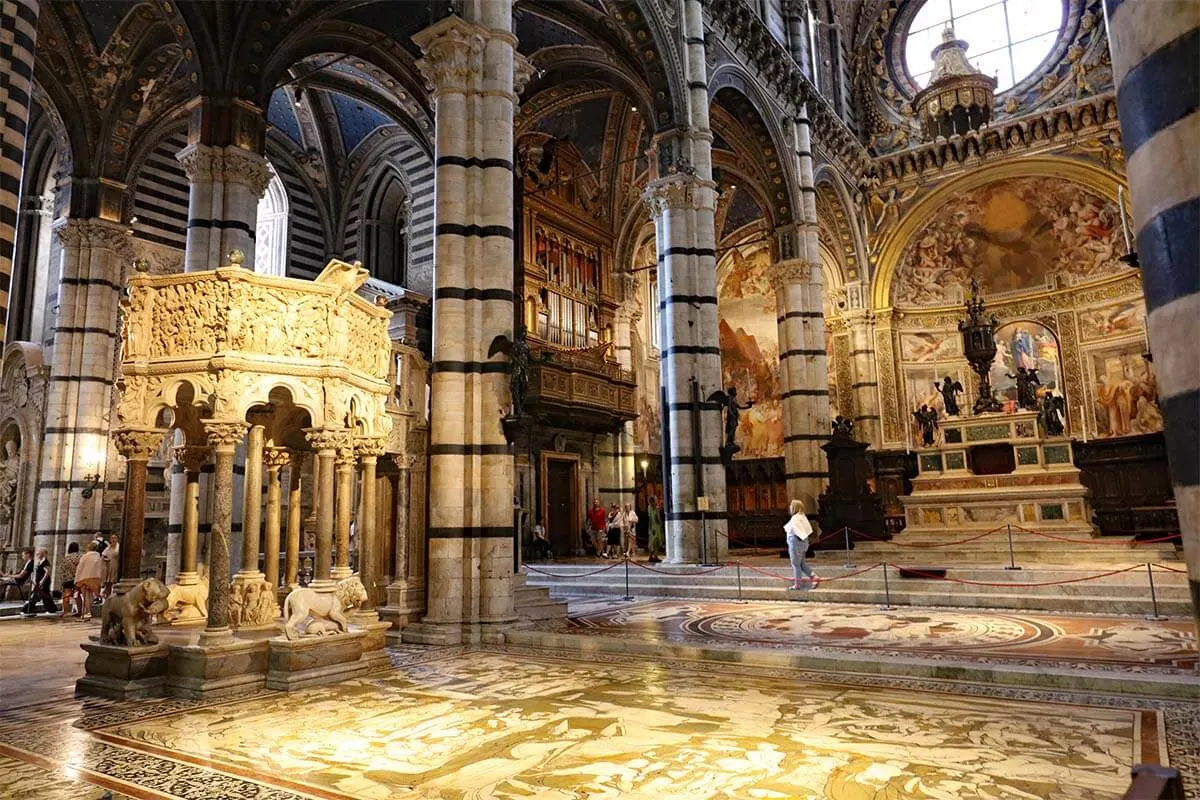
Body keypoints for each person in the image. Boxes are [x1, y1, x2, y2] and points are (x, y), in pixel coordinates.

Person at [784, 499, 819, 591]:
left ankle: (797, 585)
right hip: (803, 543)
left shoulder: (795, 518)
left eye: (791, 506)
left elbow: (792, 530)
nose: (790, 507)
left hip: (795, 542)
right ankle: (814, 576)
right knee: (802, 563)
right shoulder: (803, 517)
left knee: (795, 564)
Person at [74, 543, 106, 620]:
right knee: (91, 594)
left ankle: (88, 612)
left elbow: (80, 567)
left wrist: (77, 579)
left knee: (86, 595)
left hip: (84, 577)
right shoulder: (98, 556)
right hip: (95, 577)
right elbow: (101, 567)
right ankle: (89, 611)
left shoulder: (84, 556)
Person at [22, 547, 57, 615]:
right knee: (45, 596)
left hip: (43, 582)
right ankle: (52, 609)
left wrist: (42, 581)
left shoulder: (45, 562)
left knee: (36, 595)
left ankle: (26, 610)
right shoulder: (40, 561)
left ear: (42, 554)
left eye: (38, 553)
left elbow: (47, 572)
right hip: (40, 581)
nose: (37, 554)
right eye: (37, 553)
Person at [60, 542, 82, 617]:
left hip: (68, 579)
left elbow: (62, 569)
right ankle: (79, 611)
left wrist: (62, 579)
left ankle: (65, 612)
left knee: (66, 595)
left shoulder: (66, 557)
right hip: (78, 578)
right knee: (77, 595)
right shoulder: (81, 557)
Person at [646, 496, 664, 563]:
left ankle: (650, 556)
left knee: (651, 542)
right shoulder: (657, 508)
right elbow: (658, 518)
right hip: (656, 527)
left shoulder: (649, 508)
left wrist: (650, 527)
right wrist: (661, 524)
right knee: (657, 542)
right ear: (653, 501)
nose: (657, 500)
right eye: (656, 499)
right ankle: (655, 556)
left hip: (651, 527)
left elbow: (650, 518)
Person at [101, 533, 120, 598]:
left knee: (113, 582)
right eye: (112, 538)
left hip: (115, 566)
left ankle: (111, 596)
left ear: (117, 539)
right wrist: (105, 558)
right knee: (108, 583)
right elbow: (103, 556)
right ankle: (107, 596)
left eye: (115, 538)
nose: (113, 539)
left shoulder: (118, 548)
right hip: (107, 566)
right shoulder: (108, 548)